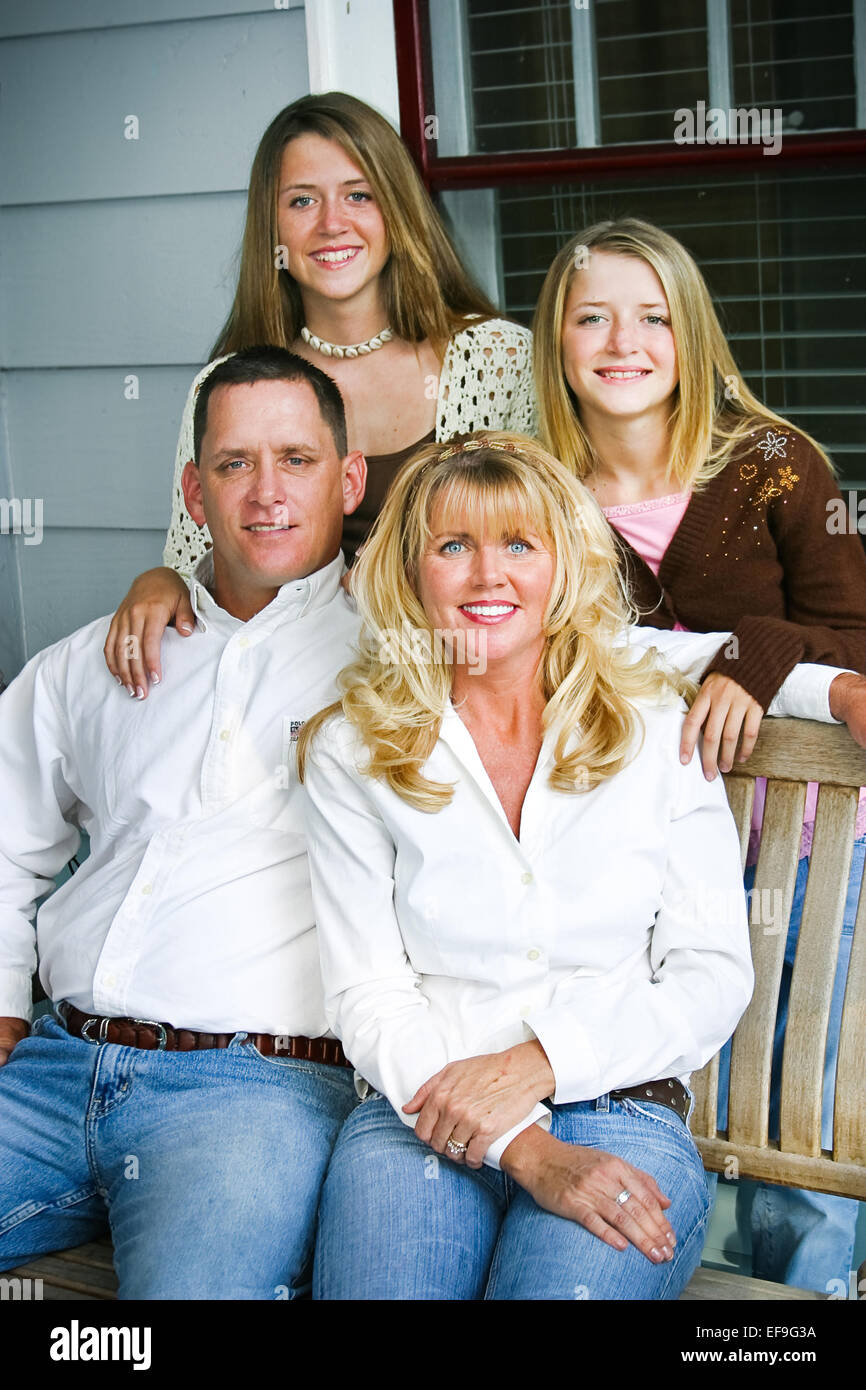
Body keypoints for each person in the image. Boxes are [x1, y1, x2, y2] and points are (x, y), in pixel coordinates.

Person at [298, 433, 866, 1301]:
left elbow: (710, 973)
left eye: (519, 545)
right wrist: (523, 1144)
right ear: (410, 574)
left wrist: (542, 1062)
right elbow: (367, 994)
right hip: (422, 1110)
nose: (489, 577)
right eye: (454, 547)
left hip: (622, 1107)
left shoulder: (648, 724)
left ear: (564, 566)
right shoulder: (354, 747)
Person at [532, 218, 866, 1291]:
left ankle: (794, 1305)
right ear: (555, 339)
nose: (620, 340)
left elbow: (856, 638)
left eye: (650, 316)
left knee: (792, 1113)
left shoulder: (772, 464)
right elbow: (536, 651)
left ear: (691, 334)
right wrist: (733, 651)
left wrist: (759, 661)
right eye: (591, 316)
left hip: (797, 854)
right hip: (629, 864)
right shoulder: (536, 496)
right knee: (662, 1094)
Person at [0, 347, 368, 1299]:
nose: (266, 491)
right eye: (234, 464)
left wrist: (794, 682)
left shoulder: (403, 657)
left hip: (253, 1094)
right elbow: (5, 833)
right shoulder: (98, 661)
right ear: (194, 492)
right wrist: (4, 1003)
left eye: (297, 458)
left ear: (351, 478)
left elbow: (611, 654)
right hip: (52, 1063)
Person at [104, 91, 534, 698]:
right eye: (302, 201)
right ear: (272, 225)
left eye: (359, 195)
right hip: (290, 687)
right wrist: (157, 579)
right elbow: (194, 563)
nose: (332, 223)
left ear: (398, 210)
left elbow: (546, 545)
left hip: (462, 685)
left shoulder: (499, 360)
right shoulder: (231, 384)